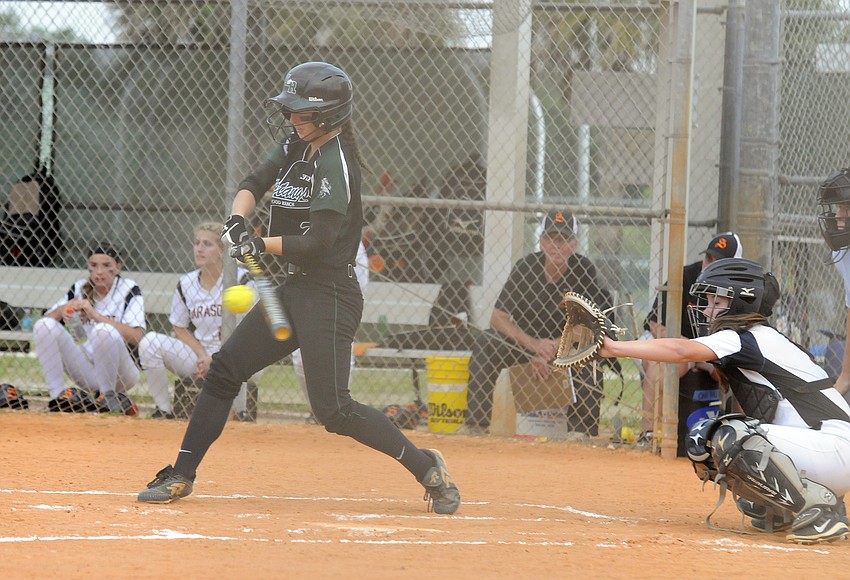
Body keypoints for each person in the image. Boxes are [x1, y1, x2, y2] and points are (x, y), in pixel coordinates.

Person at [136, 61, 460, 515]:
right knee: (226, 370)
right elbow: (254, 183)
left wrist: (257, 242)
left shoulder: (337, 162)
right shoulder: (296, 141)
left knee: (334, 411)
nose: (292, 118)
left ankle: (427, 467)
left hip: (329, 293)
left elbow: (317, 242)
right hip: (291, 288)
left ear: (327, 116)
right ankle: (181, 473)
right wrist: (236, 220)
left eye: (301, 111)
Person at [599, 257, 850, 545]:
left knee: (729, 436)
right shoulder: (759, 338)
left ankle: (818, 509)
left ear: (740, 302)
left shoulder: (746, 337)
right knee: (705, 440)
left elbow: (681, 350)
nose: (706, 310)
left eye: (715, 301)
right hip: (825, 451)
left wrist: (613, 347)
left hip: (835, 449)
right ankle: (788, 507)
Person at [464, 211, 612, 435]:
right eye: (551, 239)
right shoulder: (526, 267)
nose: (557, 246)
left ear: (574, 244)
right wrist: (533, 346)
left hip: (566, 346)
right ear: (542, 242)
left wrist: (555, 347)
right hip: (524, 346)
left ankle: (581, 434)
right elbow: (498, 317)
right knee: (487, 341)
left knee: (591, 352)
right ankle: (476, 425)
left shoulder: (583, 270)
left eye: (564, 240)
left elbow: (589, 323)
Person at [138, 222, 256, 420]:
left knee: (239, 355)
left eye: (207, 244)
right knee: (149, 342)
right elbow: (179, 325)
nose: (199, 249)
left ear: (222, 250)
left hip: (236, 355)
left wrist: (217, 357)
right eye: (197, 243)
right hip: (199, 358)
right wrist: (202, 354)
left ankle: (240, 413)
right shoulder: (186, 283)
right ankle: (163, 410)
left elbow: (251, 331)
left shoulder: (243, 280)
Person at [640, 232, 743, 455]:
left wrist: (702, 354)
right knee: (658, 366)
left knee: (737, 373)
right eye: (708, 259)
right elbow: (655, 324)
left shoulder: (739, 290)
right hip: (678, 350)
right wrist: (686, 347)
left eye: (719, 261)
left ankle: (743, 438)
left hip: (710, 355)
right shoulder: (686, 277)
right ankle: (647, 435)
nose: (710, 265)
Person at [34, 242, 145, 414]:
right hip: (88, 371)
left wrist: (96, 316)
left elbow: (137, 337)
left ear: (117, 267)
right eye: (94, 266)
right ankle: (57, 400)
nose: (99, 272)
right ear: (88, 267)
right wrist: (63, 310)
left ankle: (107, 399)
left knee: (103, 330)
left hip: (122, 374)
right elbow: (44, 322)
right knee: (44, 326)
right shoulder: (79, 288)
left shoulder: (128, 289)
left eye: (106, 265)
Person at [291, 240, 369, 404]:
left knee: (337, 344)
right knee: (301, 358)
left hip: (343, 266)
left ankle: (337, 407)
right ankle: (320, 413)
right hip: (308, 268)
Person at [817, 168, 850, 397]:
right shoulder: (844, 254)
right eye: (838, 207)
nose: (838, 215)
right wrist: (845, 377)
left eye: (846, 209)